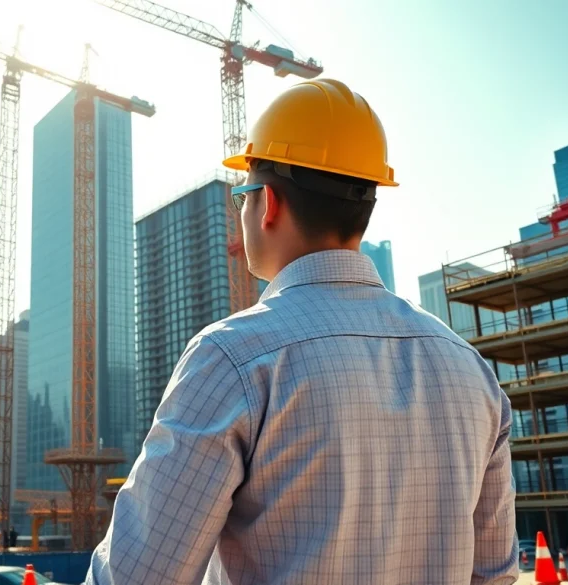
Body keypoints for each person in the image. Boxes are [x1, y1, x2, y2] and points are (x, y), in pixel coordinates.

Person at [85, 78, 517, 584]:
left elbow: (137, 577)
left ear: (267, 203)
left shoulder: (232, 359)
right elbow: (494, 575)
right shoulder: (470, 371)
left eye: (241, 198)